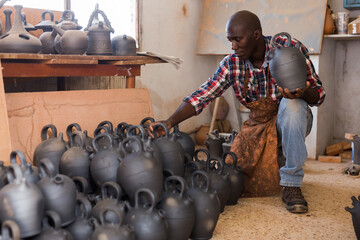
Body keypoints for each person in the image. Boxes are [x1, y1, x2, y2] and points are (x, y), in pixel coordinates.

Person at [150, 10, 325, 213]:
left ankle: (292, 186)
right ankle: (281, 159)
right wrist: (170, 122)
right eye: (230, 40)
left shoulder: (289, 49)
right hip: (258, 128)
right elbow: (202, 95)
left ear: (256, 35)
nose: (233, 46)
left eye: (237, 40)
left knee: (292, 106)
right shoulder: (232, 64)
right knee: (242, 175)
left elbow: (319, 95)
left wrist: (302, 93)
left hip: (290, 120)